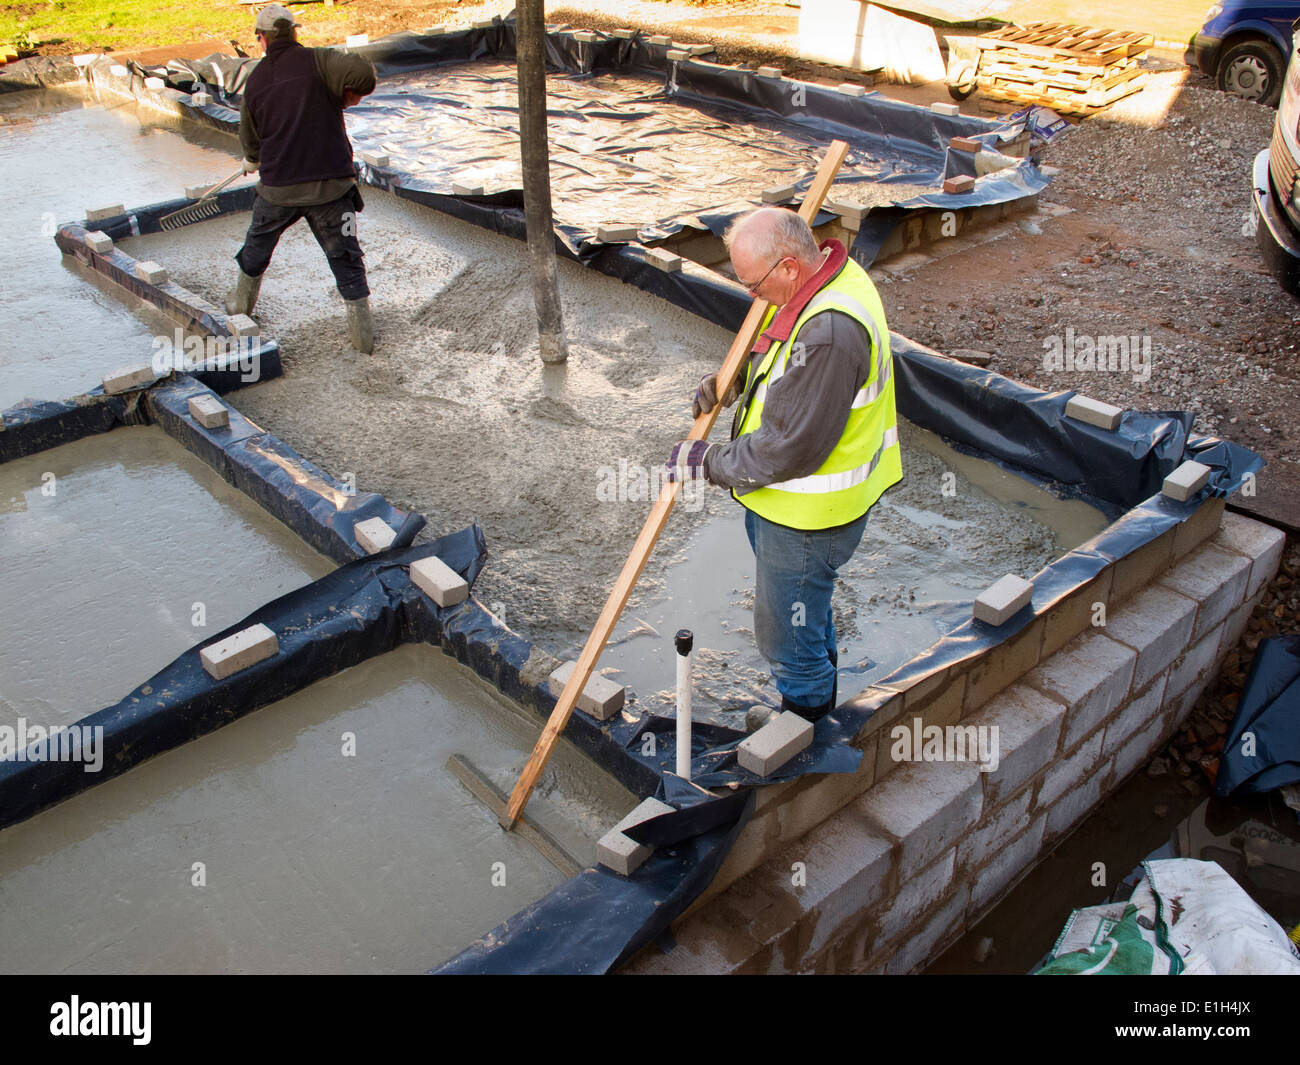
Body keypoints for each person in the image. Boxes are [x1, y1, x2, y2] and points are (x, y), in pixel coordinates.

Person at [666, 207, 902, 721]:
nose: (753, 297)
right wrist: (733, 382)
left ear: (789, 266)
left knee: (787, 638)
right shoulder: (826, 278)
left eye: (754, 286)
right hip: (793, 510)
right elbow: (781, 359)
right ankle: (814, 699)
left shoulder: (831, 332)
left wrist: (708, 462)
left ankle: (803, 730)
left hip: (809, 519)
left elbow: (788, 448)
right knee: (807, 614)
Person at [225, 4, 378, 353]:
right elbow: (361, 73)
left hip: (278, 191)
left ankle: (239, 310)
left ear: (261, 39)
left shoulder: (256, 80)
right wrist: (347, 94)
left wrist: (251, 159)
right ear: (294, 32)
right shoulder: (319, 61)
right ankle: (364, 340)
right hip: (332, 190)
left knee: (255, 250)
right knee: (347, 258)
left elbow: (249, 137)